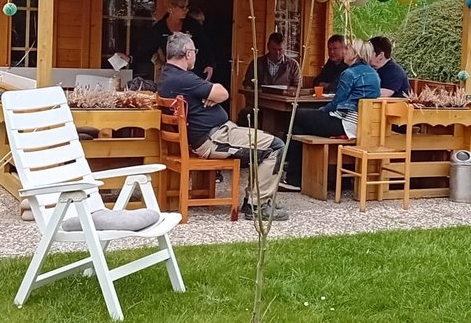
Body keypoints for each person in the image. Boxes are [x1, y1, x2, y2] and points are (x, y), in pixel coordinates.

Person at [157, 32, 288, 221]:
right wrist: (212, 95)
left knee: (263, 141)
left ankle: (254, 200)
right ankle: (258, 206)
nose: (195, 55)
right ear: (188, 53)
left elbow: (216, 94)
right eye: (195, 51)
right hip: (214, 139)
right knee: (275, 147)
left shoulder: (166, 77)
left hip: (216, 134)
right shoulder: (185, 80)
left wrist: (210, 96)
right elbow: (223, 93)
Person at [281, 38, 381, 191]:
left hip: (344, 124)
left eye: (347, 49)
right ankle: (296, 178)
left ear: (355, 54)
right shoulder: (374, 74)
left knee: (296, 114)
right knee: (299, 127)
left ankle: (294, 178)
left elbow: (335, 103)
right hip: (362, 126)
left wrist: (320, 111)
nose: (344, 52)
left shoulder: (349, 73)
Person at [134, 0, 215, 81]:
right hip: (171, 74)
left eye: (187, 6)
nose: (186, 10)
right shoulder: (159, 28)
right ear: (170, 8)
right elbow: (146, 50)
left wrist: (210, 64)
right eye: (182, 7)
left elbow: (206, 46)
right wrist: (130, 58)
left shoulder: (193, 25)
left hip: (193, 73)